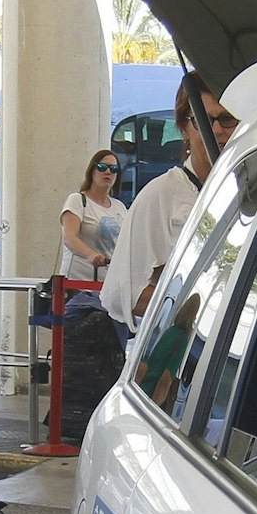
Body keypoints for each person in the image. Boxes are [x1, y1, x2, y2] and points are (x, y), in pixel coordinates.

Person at [102, 74, 237, 336]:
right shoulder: (162, 195)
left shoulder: (256, 190)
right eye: (204, 121)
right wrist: (200, 312)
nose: (218, 130)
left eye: (228, 119)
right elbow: (121, 294)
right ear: (185, 128)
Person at [59, 149, 129, 280]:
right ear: (92, 171)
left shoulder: (119, 207)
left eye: (114, 169)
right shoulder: (77, 200)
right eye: (102, 167)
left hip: (108, 284)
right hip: (78, 284)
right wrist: (90, 255)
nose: (108, 172)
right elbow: (69, 237)